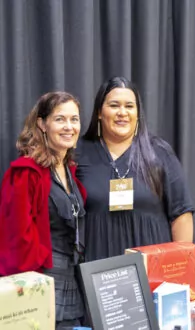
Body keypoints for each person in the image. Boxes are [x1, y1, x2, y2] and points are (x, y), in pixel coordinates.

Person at [76, 76, 195, 263]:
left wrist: (179, 266)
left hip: (152, 273)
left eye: (129, 106)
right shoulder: (79, 152)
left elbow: (181, 214)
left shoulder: (159, 152)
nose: (122, 112)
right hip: (98, 272)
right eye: (114, 105)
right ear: (99, 112)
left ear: (138, 113)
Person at [0, 92, 87, 329]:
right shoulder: (26, 173)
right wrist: (28, 297)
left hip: (73, 287)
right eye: (60, 119)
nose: (69, 127)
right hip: (40, 288)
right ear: (42, 124)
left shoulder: (70, 171)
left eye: (74, 119)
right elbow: (16, 242)